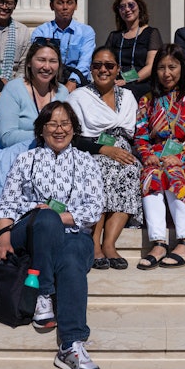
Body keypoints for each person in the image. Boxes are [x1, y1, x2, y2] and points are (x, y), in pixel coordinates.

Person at [0, 101, 104, 369]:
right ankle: (44, 293)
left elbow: (93, 210)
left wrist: (58, 216)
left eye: (65, 123)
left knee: (72, 255)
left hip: (73, 236)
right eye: (52, 123)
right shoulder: (26, 159)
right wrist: (3, 237)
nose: (59, 129)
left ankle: (71, 344)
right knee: (43, 220)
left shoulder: (87, 162)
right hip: (28, 232)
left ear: (74, 129)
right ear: (41, 129)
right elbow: (6, 203)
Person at [0, 39, 69, 236]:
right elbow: (7, 136)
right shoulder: (14, 88)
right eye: (41, 60)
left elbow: (66, 129)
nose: (46, 66)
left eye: (52, 61)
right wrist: (47, 133)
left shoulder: (63, 92)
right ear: (30, 62)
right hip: (12, 153)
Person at [68, 46, 143, 270]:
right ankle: (94, 243)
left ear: (117, 69)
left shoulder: (128, 96)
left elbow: (134, 133)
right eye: (97, 65)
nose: (103, 69)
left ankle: (109, 244)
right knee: (101, 170)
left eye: (109, 65)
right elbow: (73, 138)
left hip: (123, 150)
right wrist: (104, 149)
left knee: (132, 169)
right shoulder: (79, 96)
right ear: (90, 69)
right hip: (92, 150)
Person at [134, 44, 185, 269]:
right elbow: (141, 135)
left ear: (182, 68)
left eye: (172, 67)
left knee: (174, 173)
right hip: (156, 159)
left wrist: (182, 158)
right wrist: (148, 156)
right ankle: (158, 242)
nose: (167, 73)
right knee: (150, 175)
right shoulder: (148, 100)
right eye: (162, 68)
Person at [30, 0, 97, 91]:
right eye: (60, 3)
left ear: (76, 6)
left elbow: (85, 61)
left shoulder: (86, 32)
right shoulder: (41, 31)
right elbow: (37, 60)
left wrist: (72, 81)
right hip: (48, 82)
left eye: (69, 2)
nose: (65, 7)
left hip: (78, 84)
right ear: (52, 6)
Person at [102, 0, 163, 101]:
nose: (127, 9)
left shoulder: (151, 33)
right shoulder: (114, 36)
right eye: (122, 7)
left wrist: (127, 79)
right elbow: (104, 62)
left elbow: (151, 66)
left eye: (131, 5)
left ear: (140, 7)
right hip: (115, 81)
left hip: (141, 83)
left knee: (125, 94)